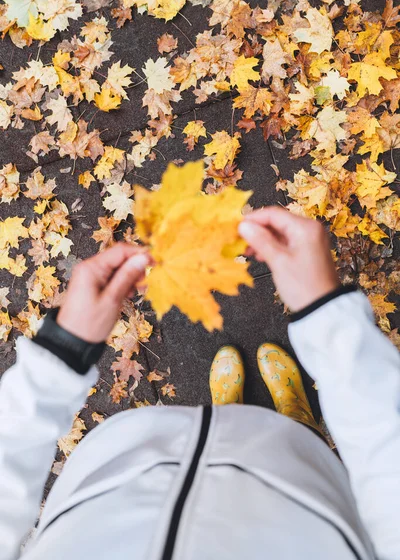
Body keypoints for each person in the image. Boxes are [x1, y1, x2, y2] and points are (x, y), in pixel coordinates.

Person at [0, 206, 399, 560]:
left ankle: (229, 412)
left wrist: (62, 352)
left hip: (125, 461)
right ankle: (296, 422)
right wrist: (328, 317)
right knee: (291, 442)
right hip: (299, 479)